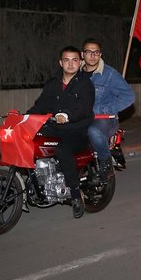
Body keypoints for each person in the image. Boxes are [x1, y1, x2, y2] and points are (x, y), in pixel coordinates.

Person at [27, 46, 95, 219]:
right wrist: (24, 119)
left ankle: (74, 193)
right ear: (61, 62)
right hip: (55, 128)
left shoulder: (85, 84)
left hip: (77, 130)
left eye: (74, 60)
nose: (70, 64)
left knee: (62, 149)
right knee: (30, 140)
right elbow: (40, 105)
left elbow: (84, 108)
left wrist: (66, 115)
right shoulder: (53, 83)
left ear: (80, 62)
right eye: (66, 60)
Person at [81, 39, 135, 181]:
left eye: (96, 52)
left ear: (100, 54)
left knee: (93, 131)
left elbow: (129, 96)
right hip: (81, 118)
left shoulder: (109, 74)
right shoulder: (75, 72)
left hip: (104, 120)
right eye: (88, 52)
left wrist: (105, 109)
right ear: (82, 54)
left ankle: (106, 164)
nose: (92, 56)